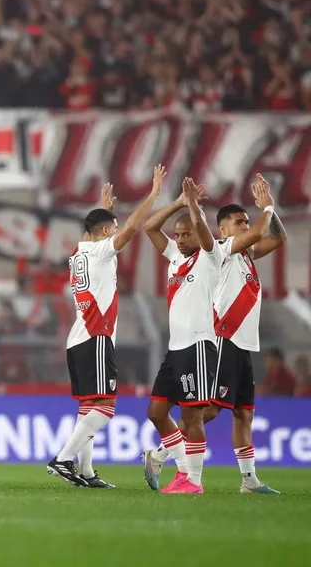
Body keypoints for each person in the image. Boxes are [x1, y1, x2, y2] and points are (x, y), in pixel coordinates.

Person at [144, 174, 284, 494]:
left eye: (246, 220)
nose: (245, 225)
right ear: (221, 229)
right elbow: (154, 228)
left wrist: (270, 211)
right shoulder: (218, 250)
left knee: (240, 413)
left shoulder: (238, 254)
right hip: (218, 338)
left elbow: (276, 237)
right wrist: (266, 207)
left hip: (238, 342)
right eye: (239, 222)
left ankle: (244, 480)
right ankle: (166, 456)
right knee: (206, 409)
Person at [47, 166, 166, 489]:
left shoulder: (78, 254)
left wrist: (104, 212)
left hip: (78, 338)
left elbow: (97, 232)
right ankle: (63, 459)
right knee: (106, 407)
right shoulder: (101, 251)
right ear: (104, 232)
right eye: (111, 229)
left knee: (88, 408)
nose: (116, 234)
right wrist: (153, 195)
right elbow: (131, 229)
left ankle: (86, 472)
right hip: (96, 337)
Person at [140, 177, 225, 494]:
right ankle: (181, 471)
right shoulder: (175, 256)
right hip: (176, 348)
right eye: (177, 235)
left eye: (185, 234)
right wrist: (177, 202)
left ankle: (193, 480)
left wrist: (193, 207)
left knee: (192, 416)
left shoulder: (209, 257)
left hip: (198, 345)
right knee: (156, 412)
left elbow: (202, 229)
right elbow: (150, 228)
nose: (179, 239)